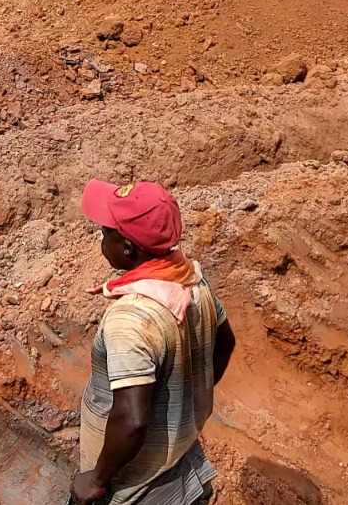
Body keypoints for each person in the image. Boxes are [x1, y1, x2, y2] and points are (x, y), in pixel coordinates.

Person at [71, 180, 236, 505]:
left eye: (107, 233)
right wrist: (183, 404)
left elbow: (132, 421)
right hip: (181, 466)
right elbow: (225, 343)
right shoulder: (193, 283)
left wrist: (96, 479)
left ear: (129, 248)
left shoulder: (132, 319)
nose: (102, 240)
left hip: (137, 489)